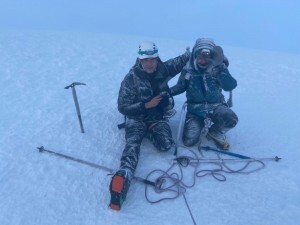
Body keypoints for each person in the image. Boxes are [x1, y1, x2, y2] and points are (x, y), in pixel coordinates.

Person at [109, 41, 190, 210]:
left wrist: (191, 53)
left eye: (152, 58)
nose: (150, 63)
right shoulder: (131, 78)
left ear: (157, 57)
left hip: (156, 118)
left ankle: (150, 131)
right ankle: (123, 175)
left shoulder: (163, 69)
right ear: (140, 60)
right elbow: (122, 107)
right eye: (146, 60)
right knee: (132, 145)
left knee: (166, 145)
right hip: (136, 118)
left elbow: (179, 61)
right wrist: (145, 105)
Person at [170, 38, 238, 150]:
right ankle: (200, 123)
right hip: (195, 110)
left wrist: (221, 69)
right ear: (195, 54)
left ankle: (214, 132)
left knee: (231, 120)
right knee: (189, 141)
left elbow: (230, 86)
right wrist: (167, 93)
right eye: (199, 57)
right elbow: (180, 87)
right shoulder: (188, 69)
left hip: (216, 106)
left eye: (206, 57)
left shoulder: (218, 68)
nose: (202, 60)